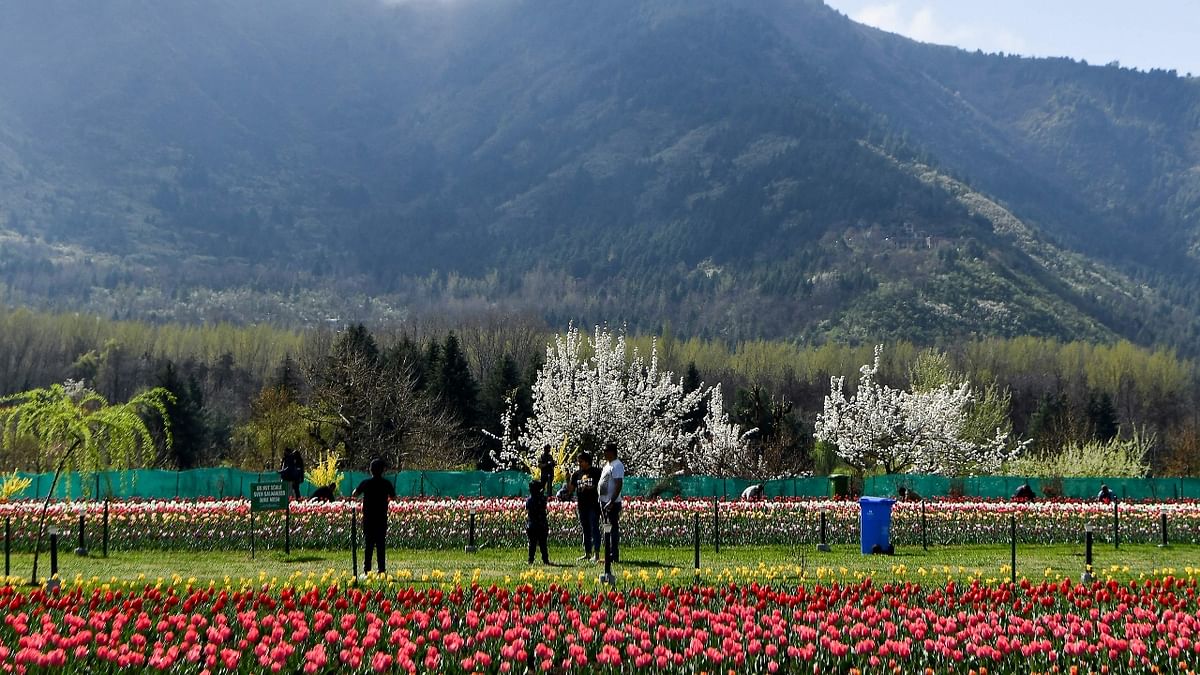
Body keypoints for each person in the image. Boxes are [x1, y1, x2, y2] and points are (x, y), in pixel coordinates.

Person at [351, 458, 396, 575]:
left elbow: (355, 494)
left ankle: (367, 570)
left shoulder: (366, 483)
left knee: (369, 545)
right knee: (381, 545)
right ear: (382, 470)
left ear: (371, 470)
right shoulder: (386, 483)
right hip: (381, 517)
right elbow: (394, 497)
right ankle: (381, 570)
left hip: (368, 518)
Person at [563, 452, 602, 562]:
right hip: (582, 505)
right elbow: (571, 489)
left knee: (594, 528)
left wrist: (591, 488)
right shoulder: (577, 474)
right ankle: (587, 553)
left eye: (580, 461)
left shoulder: (596, 472)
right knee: (585, 529)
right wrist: (567, 479)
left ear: (586, 461)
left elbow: (600, 485)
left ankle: (597, 553)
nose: (579, 463)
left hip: (593, 504)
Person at [598, 443, 625, 563]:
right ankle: (608, 554)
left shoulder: (617, 465)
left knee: (612, 529)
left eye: (606, 451)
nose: (604, 453)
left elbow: (618, 484)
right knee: (606, 528)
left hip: (611, 503)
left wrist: (611, 500)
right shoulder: (608, 465)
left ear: (612, 452)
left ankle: (613, 555)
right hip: (604, 501)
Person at [525, 480, 550, 565]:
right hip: (542, 524)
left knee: (532, 544)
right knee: (543, 544)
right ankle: (545, 559)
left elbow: (527, 508)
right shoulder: (542, 499)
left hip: (532, 524)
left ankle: (530, 559)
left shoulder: (529, 500)